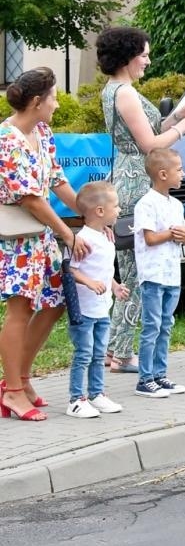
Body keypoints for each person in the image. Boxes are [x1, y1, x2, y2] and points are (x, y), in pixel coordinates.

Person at [97, 26, 185, 374]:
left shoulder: (119, 90)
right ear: (128, 56)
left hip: (128, 176)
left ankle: (115, 350)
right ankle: (118, 353)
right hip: (134, 182)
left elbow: (156, 127)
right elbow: (150, 145)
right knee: (136, 271)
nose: (148, 60)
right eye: (144, 54)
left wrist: (178, 115)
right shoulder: (125, 93)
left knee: (133, 269)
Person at [0, 68, 91, 422]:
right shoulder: (6, 141)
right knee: (20, 311)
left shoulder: (42, 132)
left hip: (41, 238)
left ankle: (20, 377)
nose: (55, 103)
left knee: (55, 302)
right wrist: (68, 233)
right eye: (52, 97)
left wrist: (89, 218)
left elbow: (57, 181)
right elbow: (31, 200)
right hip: (17, 240)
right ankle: (12, 390)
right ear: (37, 102)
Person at [65, 180, 129, 418]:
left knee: (99, 353)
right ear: (100, 211)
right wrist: (89, 283)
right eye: (116, 206)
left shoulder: (105, 237)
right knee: (84, 353)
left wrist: (115, 287)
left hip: (102, 308)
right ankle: (75, 399)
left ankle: (96, 394)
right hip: (83, 309)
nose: (119, 210)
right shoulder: (84, 239)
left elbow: (103, 270)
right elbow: (70, 269)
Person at [132, 148, 185, 399]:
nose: (183, 174)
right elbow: (150, 237)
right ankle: (145, 379)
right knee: (152, 326)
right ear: (163, 174)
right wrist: (171, 234)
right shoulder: (146, 203)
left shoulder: (176, 204)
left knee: (166, 324)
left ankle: (160, 374)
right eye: (179, 170)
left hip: (171, 275)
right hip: (153, 275)